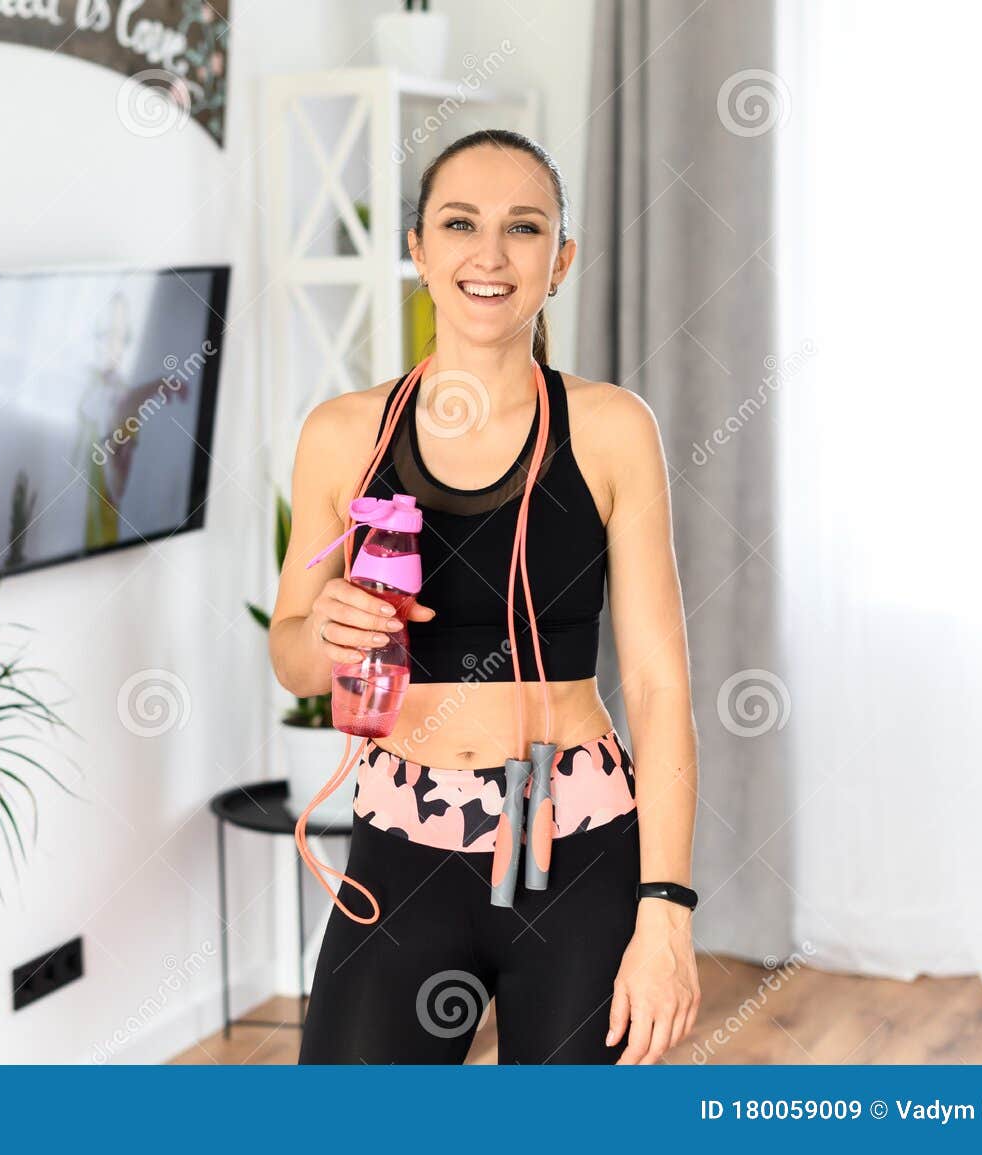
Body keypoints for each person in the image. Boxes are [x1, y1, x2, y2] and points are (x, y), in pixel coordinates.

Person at [269, 129, 701, 1065]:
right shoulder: (343, 435)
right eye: (460, 224)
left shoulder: (612, 428)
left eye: (525, 227)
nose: (491, 255)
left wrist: (666, 913)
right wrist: (327, 629)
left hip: (579, 848)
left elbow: (662, 685)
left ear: (562, 260)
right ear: (419, 247)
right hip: (401, 846)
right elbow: (292, 655)